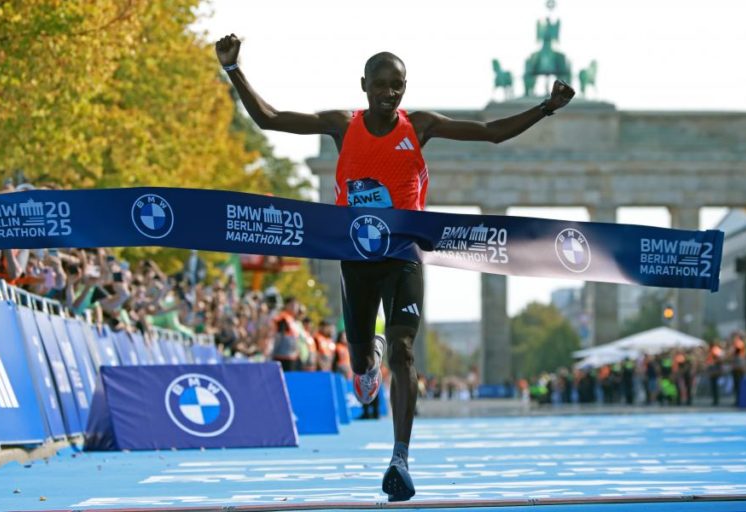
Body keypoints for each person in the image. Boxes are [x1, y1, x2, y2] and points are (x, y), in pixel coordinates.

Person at [214, 34, 574, 501]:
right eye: (381, 84)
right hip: (357, 258)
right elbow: (270, 118)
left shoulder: (419, 125)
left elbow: (490, 132)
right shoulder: (342, 125)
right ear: (364, 85)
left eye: (397, 85)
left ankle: (400, 457)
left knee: (404, 352)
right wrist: (233, 68)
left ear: (405, 87)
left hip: (403, 253)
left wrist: (546, 107)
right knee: (361, 359)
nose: (389, 92)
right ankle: (366, 362)